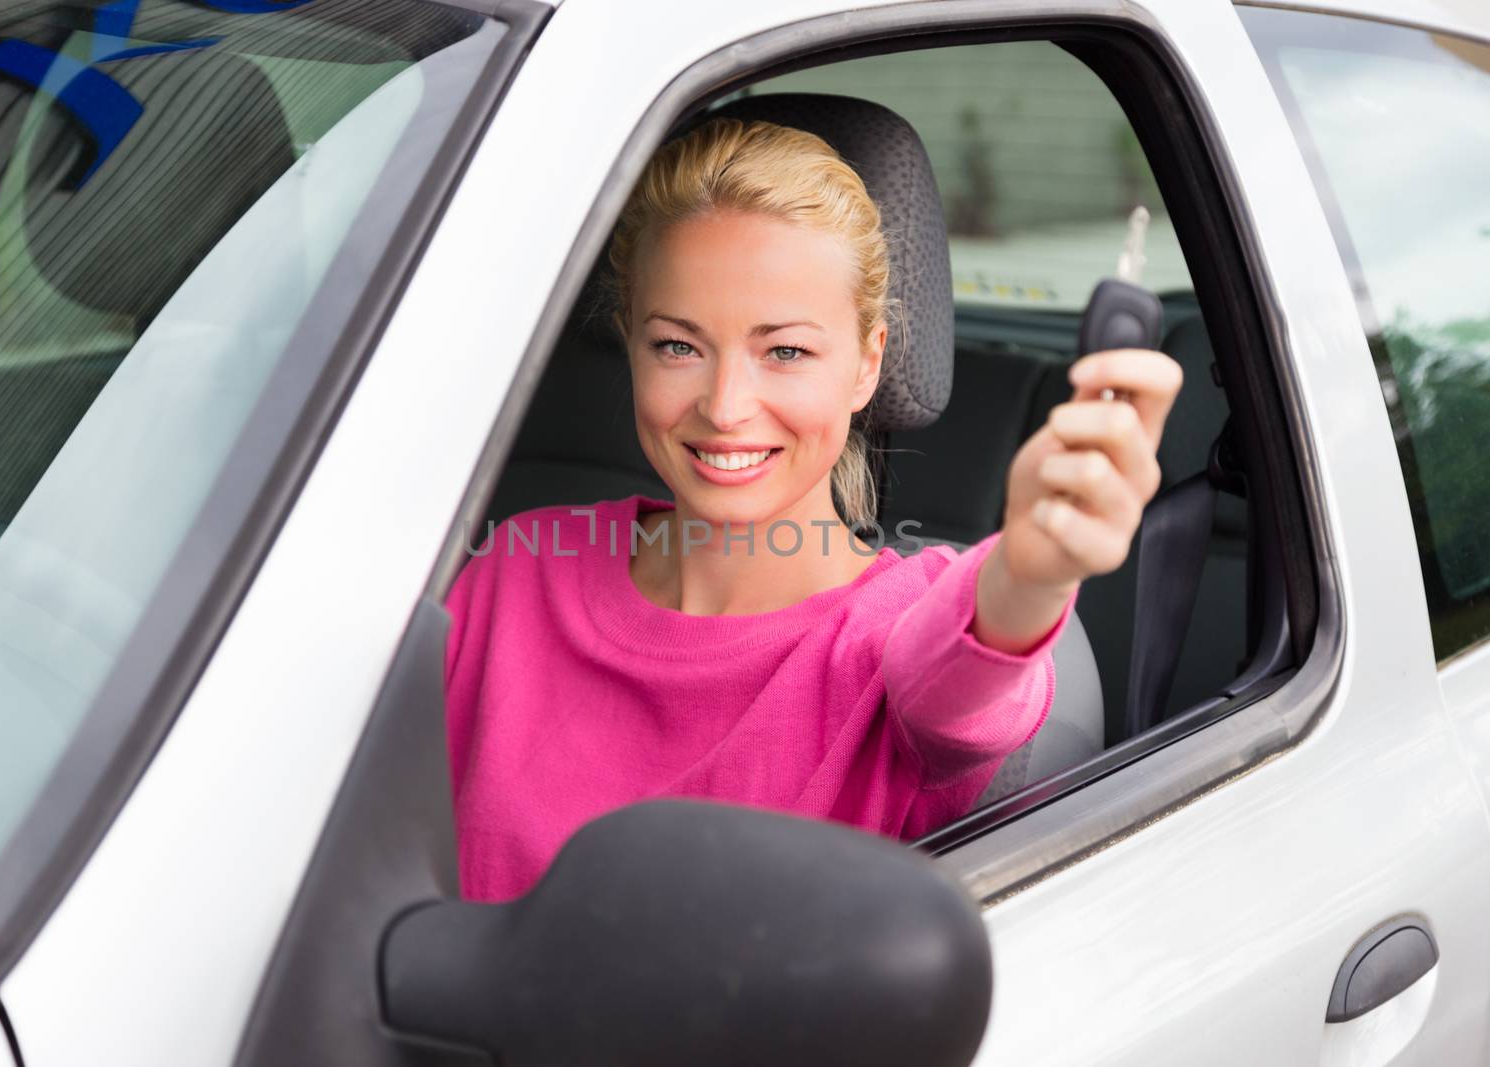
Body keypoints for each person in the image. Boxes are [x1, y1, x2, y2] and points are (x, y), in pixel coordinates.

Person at [444, 117, 1182, 903]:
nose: (726, 407)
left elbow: (967, 680)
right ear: (629, 342)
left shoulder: (899, 628)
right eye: (677, 346)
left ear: (867, 364)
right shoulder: (518, 565)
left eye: (786, 351)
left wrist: (1030, 572)